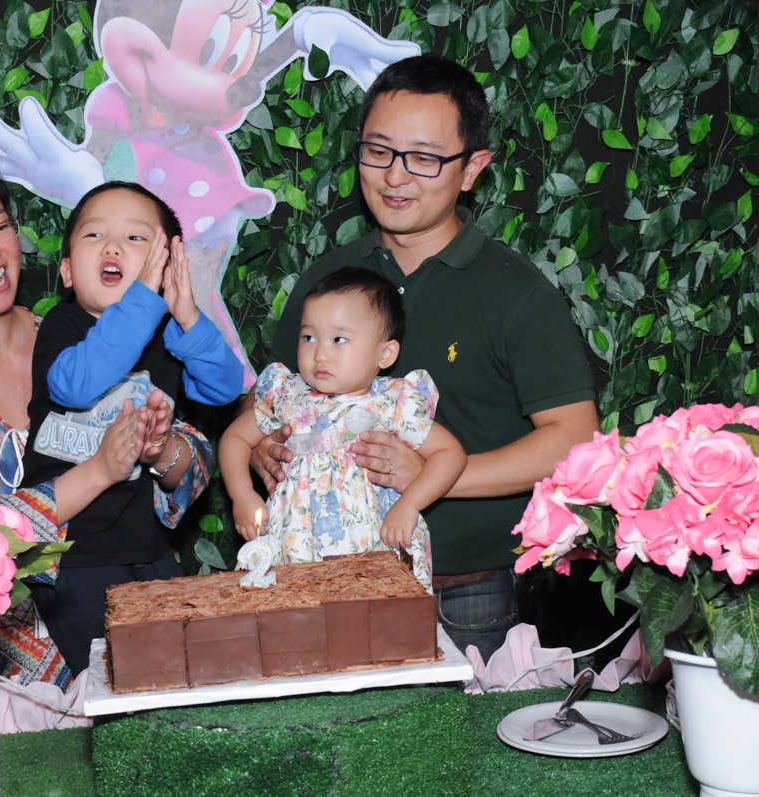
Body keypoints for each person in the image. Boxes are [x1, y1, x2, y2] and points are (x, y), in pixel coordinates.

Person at [226, 55, 599, 662]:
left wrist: (429, 478)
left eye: (424, 158)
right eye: (379, 151)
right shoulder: (329, 277)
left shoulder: (513, 290)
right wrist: (265, 446)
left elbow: (574, 440)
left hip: (466, 585)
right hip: (318, 576)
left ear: (472, 168)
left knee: (456, 751)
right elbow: (278, 397)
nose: (396, 176)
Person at [0, 149, 214, 702]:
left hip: (142, 607)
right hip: (16, 675)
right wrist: (102, 469)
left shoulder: (82, 331)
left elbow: (193, 453)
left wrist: (162, 450)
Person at [21, 182, 243, 674]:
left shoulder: (168, 335)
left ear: (166, 267)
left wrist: (184, 314)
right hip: (70, 556)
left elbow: (224, 386)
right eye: (95, 234)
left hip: (147, 546)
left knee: (173, 670)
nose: (114, 247)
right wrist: (145, 300)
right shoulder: (63, 327)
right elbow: (77, 385)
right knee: (106, 677)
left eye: (137, 239)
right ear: (65, 271)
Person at [219, 267, 467, 591]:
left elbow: (450, 454)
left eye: (339, 339)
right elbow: (235, 438)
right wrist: (242, 494)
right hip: (294, 543)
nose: (320, 354)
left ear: (385, 353)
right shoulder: (287, 396)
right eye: (309, 337)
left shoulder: (390, 405)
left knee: (374, 626)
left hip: (373, 543)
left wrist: (411, 504)